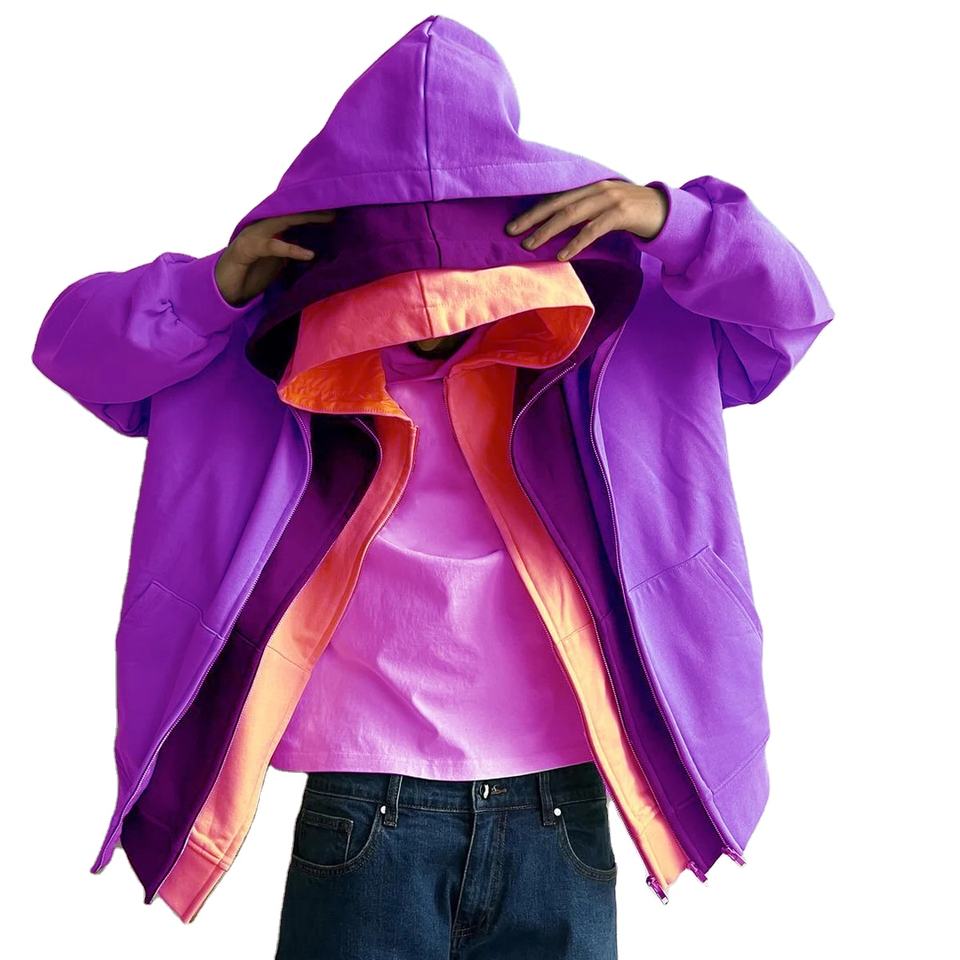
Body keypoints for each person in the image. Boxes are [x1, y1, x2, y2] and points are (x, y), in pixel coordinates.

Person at [31, 14, 834, 960]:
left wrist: (674, 222)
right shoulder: (263, 346)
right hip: (364, 799)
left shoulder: (614, 330)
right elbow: (73, 349)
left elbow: (791, 312)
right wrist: (214, 286)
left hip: (560, 800)